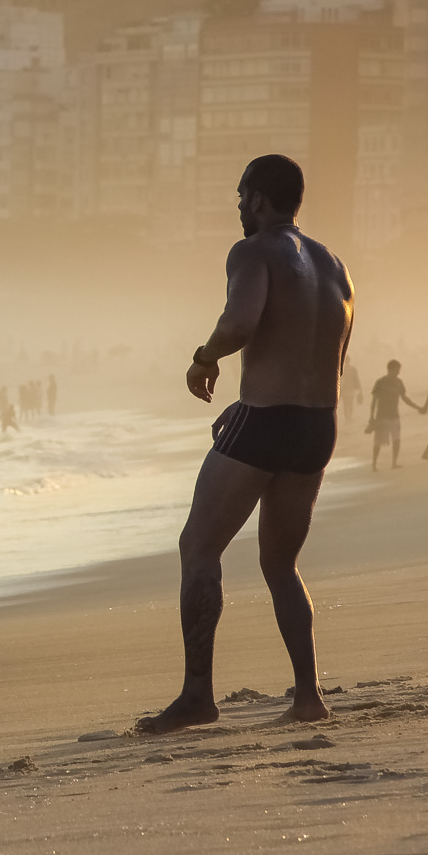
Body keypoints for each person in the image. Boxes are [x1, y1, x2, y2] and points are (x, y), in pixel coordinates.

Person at [141, 154, 353, 735]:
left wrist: (203, 359)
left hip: (267, 425)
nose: (237, 207)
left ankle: (197, 697)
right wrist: (258, 396)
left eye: (240, 197)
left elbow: (240, 322)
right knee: (281, 565)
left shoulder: (253, 251)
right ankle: (309, 697)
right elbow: (331, 354)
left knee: (198, 547)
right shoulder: (335, 265)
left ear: (259, 198)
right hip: (318, 425)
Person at [367, 359, 425, 471]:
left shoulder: (399, 382)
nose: (399, 372)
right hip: (381, 416)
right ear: (391, 369)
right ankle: (374, 464)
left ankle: (394, 462)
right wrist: (371, 417)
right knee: (378, 442)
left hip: (394, 416)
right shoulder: (380, 382)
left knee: (396, 440)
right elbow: (374, 400)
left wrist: (418, 408)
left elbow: (404, 398)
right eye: (397, 369)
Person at [339, 357, 363, 425]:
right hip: (350, 389)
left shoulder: (342, 369)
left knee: (345, 404)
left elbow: (340, 380)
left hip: (345, 389)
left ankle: (347, 418)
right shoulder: (353, 369)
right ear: (349, 360)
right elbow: (356, 379)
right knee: (350, 404)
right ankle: (350, 417)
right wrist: (359, 389)